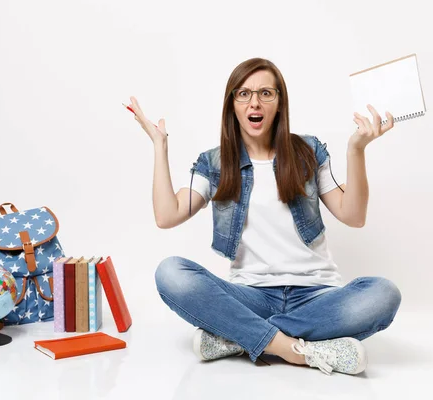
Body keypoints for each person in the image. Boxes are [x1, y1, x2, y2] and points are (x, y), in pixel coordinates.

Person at [130, 57, 401, 376]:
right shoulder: (216, 163)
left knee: (383, 294)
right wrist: (159, 145)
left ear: (279, 102)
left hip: (316, 296)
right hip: (250, 296)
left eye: (265, 93)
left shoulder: (308, 152)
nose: (254, 102)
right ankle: (295, 349)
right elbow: (167, 215)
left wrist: (357, 150)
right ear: (232, 104)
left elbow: (353, 216)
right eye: (243, 94)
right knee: (170, 273)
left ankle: (237, 337)